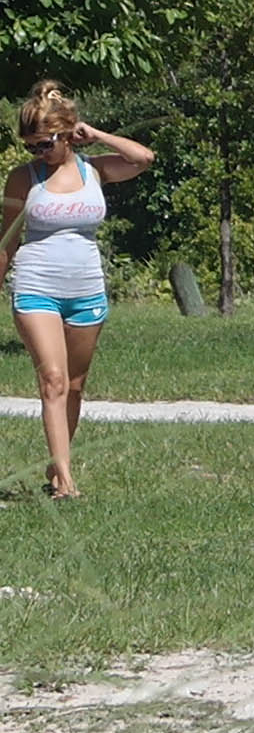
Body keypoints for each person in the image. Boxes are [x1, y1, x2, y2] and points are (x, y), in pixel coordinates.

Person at [0, 82, 151, 501]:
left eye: (44, 144)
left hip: (86, 288)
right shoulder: (22, 179)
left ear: (67, 133)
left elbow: (143, 159)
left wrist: (98, 135)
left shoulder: (94, 169)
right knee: (52, 379)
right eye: (30, 146)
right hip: (36, 287)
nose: (38, 154)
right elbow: (6, 241)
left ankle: (56, 461)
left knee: (76, 384)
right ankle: (65, 481)